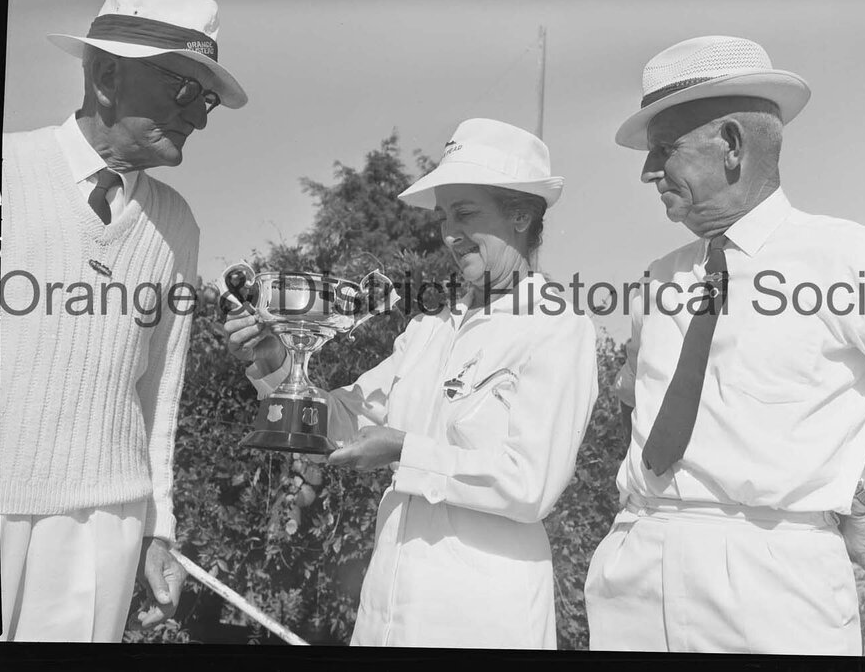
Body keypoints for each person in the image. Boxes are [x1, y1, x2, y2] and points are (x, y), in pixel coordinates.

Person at [584, 35, 865, 654]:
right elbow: (643, 411)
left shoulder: (851, 259)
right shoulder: (660, 278)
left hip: (771, 578)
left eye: (664, 149)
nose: (648, 171)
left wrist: (861, 493)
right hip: (634, 565)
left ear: (730, 145)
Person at [225, 118, 598, 648]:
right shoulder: (428, 329)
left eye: (466, 214)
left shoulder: (558, 328)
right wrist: (278, 364)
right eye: (444, 218)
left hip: (483, 615)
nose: (449, 234)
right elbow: (343, 421)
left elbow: (530, 486)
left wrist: (403, 449)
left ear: (521, 214)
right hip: (387, 607)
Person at [0, 0, 248, 642]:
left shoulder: (176, 224)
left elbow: (160, 391)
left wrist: (157, 527)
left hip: (106, 529)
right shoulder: (1, 173)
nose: (198, 116)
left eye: (210, 100)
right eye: (186, 91)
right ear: (108, 75)